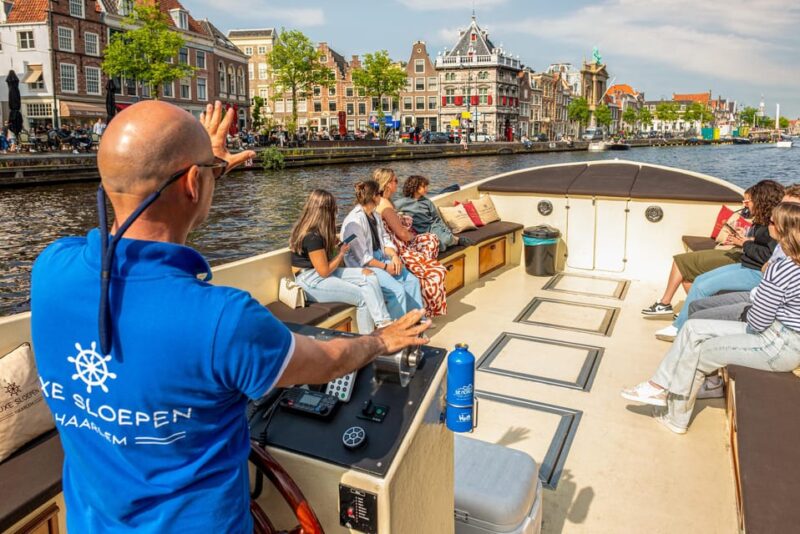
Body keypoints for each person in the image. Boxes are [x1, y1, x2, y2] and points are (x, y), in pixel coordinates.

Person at [30, 100, 430, 533]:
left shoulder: (51, 270)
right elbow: (328, 361)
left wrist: (204, 168)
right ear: (191, 184)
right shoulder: (223, 320)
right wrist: (380, 340)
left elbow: (149, 214)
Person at [622, 202, 800, 433]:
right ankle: (658, 385)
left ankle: (676, 419)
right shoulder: (789, 262)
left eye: (772, 222)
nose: (768, 225)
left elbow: (757, 322)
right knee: (692, 328)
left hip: (778, 344)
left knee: (699, 351)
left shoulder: (782, 268)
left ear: (784, 230)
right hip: (778, 335)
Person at [643, 180, 783, 319]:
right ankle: (689, 316)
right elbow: (765, 244)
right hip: (746, 261)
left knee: (698, 282)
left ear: (761, 201)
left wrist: (745, 244)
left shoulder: (773, 224)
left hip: (752, 268)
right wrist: (747, 239)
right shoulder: (765, 221)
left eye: (748, 202)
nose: (745, 206)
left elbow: (770, 254)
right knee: (696, 279)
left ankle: (681, 321)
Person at [290, 189, 393, 333]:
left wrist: (332, 242)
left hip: (317, 274)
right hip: (310, 280)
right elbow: (324, 271)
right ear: (326, 212)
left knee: (369, 275)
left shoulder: (316, 231)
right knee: (363, 297)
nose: (335, 214)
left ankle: (383, 322)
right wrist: (341, 253)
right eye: (334, 210)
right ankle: (367, 343)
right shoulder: (312, 236)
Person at [341, 179, 424, 320]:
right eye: (379, 193)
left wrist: (394, 257)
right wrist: (386, 268)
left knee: (412, 282)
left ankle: (417, 320)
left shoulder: (375, 216)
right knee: (397, 291)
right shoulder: (354, 222)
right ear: (374, 196)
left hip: (380, 258)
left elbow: (385, 240)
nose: (381, 197)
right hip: (367, 266)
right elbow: (364, 259)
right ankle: (398, 330)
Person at [373, 168, 448, 318]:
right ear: (387, 184)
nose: (397, 183)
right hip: (398, 248)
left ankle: (422, 297)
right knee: (435, 265)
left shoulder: (383, 202)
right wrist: (412, 237)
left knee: (430, 239)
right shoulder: (386, 206)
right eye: (395, 181)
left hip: (395, 244)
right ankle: (425, 303)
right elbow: (402, 234)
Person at [395, 175, 475, 253]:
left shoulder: (427, 202)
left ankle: (457, 240)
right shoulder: (402, 202)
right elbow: (389, 208)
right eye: (424, 186)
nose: (427, 189)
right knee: (439, 245)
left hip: (432, 226)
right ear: (416, 187)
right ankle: (454, 239)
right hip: (418, 230)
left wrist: (446, 230)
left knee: (445, 240)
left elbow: (436, 218)